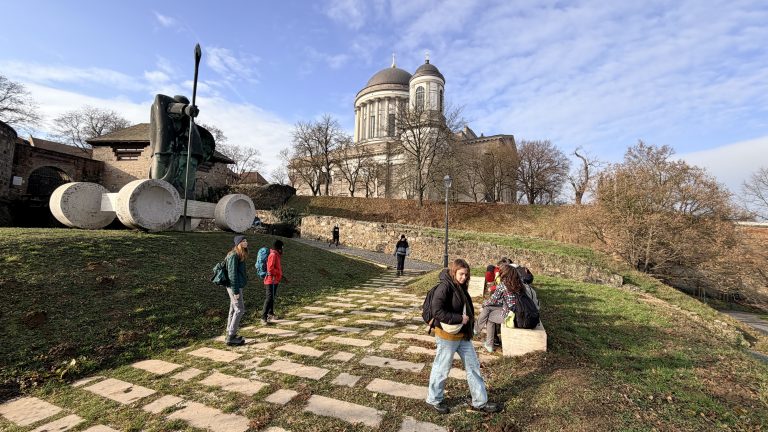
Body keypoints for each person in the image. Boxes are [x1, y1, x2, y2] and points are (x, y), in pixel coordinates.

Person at [426, 258, 501, 414]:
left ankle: (480, 402)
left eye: (466, 275)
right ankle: (434, 400)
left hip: (462, 336)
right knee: (442, 368)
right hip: (447, 336)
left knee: (473, 367)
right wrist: (459, 319)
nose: (464, 277)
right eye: (461, 274)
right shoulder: (445, 287)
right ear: (454, 272)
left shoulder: (459, 286)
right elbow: (437, 311)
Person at [475, 264, 540, 352]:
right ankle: (477, 330)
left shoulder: (503, 285)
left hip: (514, 317)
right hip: (522, 313)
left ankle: (486, 341)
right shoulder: (520, 284)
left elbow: (493, 300)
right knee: (488, 309)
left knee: (489, 316)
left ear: (504, 274)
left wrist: (484, 303)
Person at [224, 235, 249, 346]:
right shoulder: (233, 255)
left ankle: (229, 332)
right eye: (243, 241)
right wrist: (235, 291)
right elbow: (232, 274)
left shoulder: (239, 254)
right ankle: (231, 336)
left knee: (233, 309)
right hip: (234, 286)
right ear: (238, 243)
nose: (246, 242)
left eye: (246, 240)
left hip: (236, 285)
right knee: (240, 309)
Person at [262, 239, 288, 325]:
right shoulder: (273, 255)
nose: (283, 248)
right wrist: (277, 273)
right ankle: (263, 317)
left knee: (272, 297)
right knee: (269, 298)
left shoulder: (276, 254)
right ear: (279, 247)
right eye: (282, 246)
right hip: (271, 280)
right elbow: (270, 269)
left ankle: (270, 313)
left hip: (275, 279)